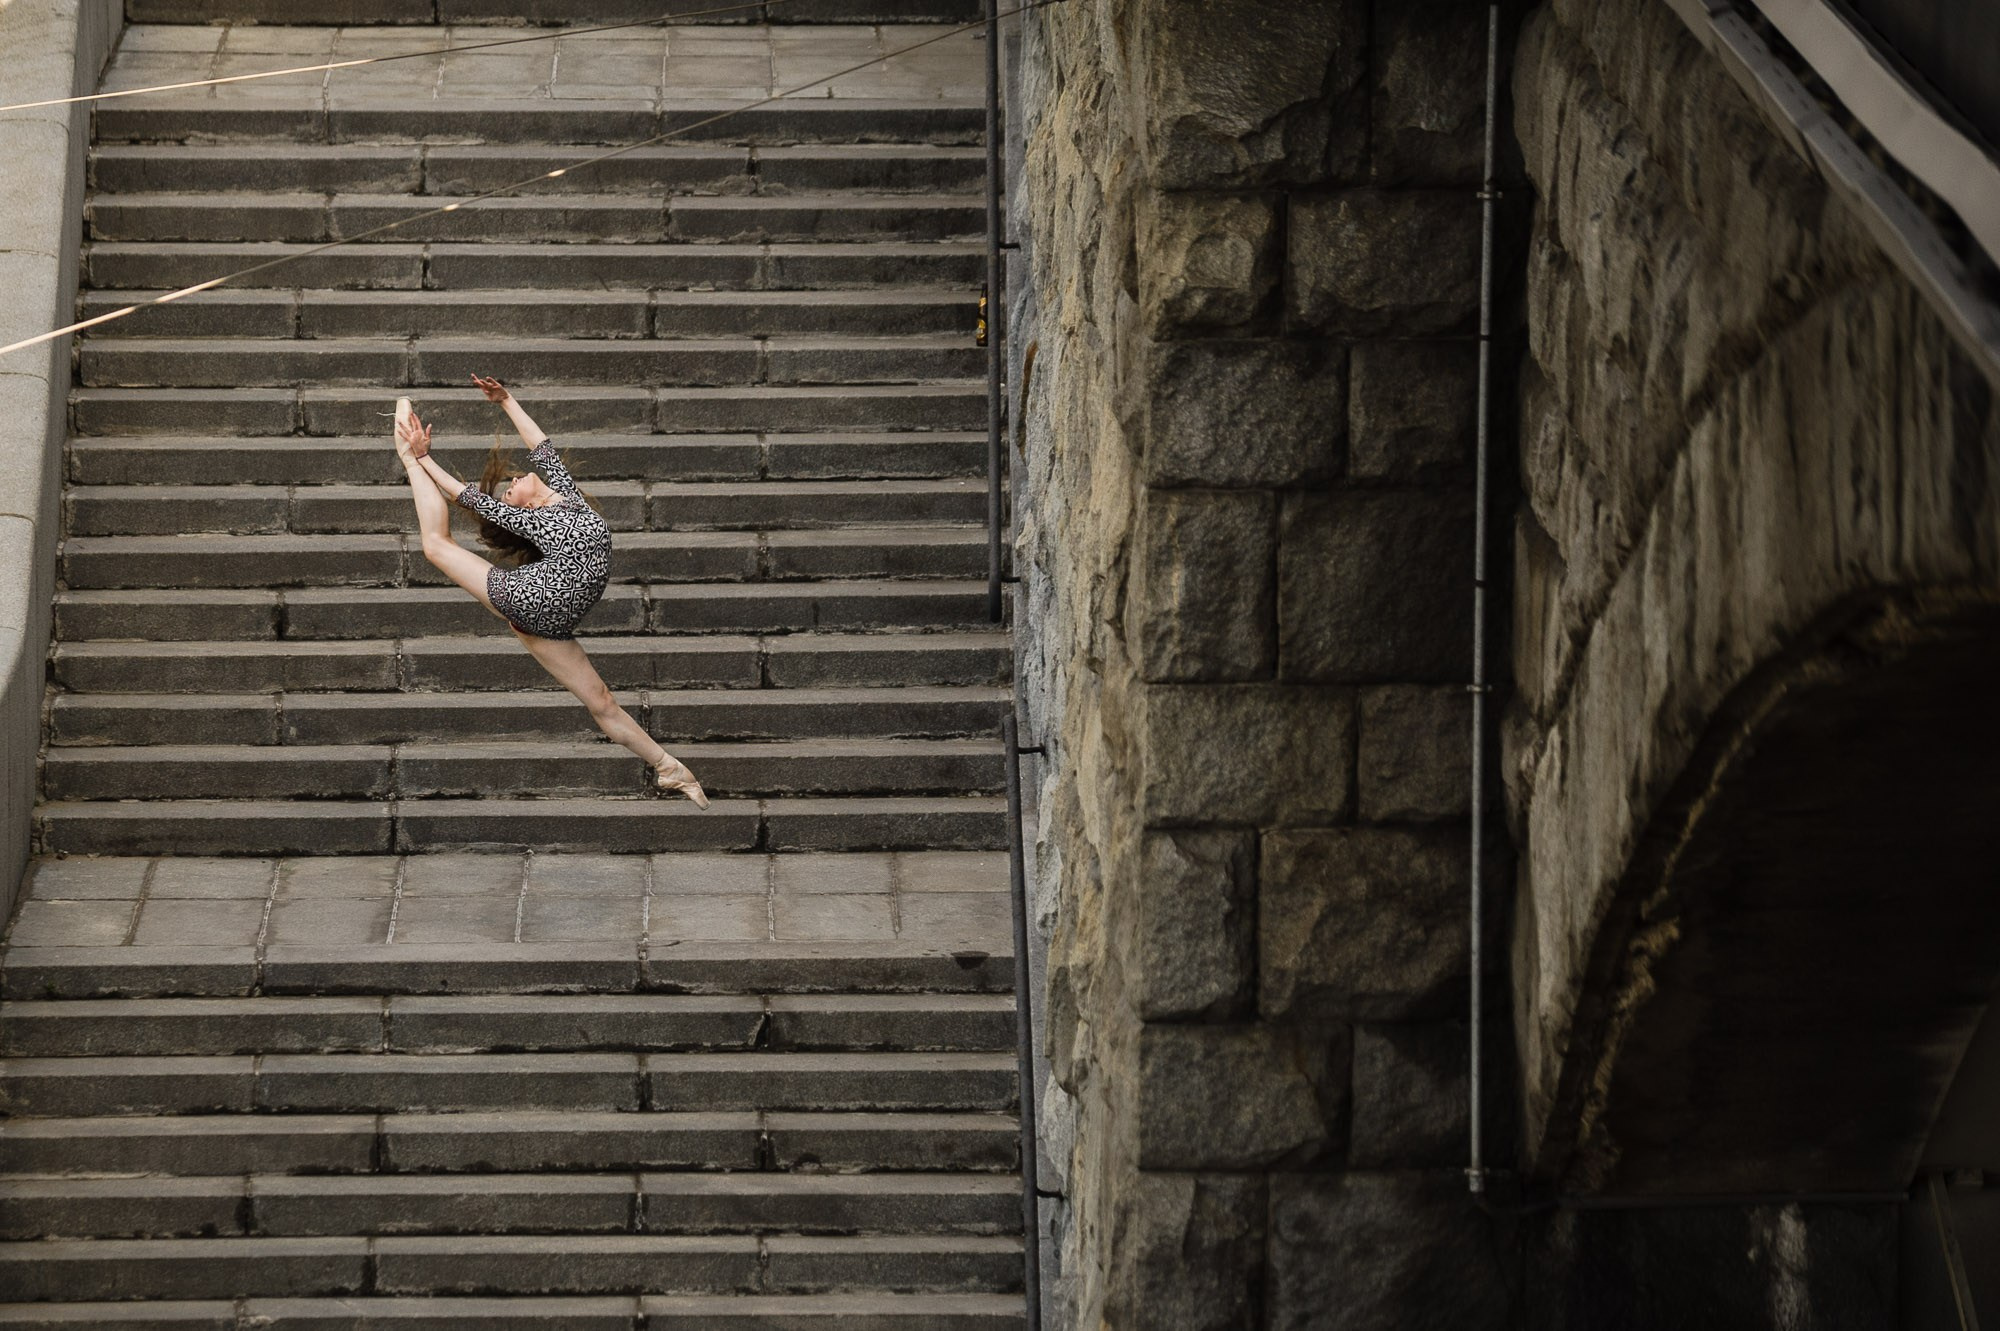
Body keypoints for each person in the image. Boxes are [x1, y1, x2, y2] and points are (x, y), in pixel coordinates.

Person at [394, 374, 708, 807]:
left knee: (603, 702)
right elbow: (465, 495)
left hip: (552, 626)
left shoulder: (569, 499)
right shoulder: (534, 519)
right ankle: (407, 462)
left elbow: (540, 443)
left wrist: (505, 399)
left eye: (511, 484)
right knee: (436, 546)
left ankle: (670, 769)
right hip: (523, 599)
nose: (513, 482)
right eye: (509, 492)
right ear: (523, 506)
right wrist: (423, 458)